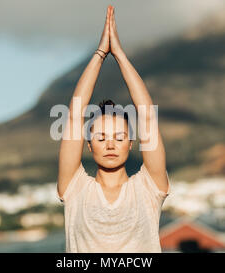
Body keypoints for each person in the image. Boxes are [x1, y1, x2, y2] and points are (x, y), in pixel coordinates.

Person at [56, 5, 170, 253]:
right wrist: (100, 53)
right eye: (101, 137)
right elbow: (75, 117)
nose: (110, 144)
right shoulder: (75, 189)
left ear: (131, 143)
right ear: (88, 144)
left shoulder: (149, 188)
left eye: (119, 137)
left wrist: (118, 53)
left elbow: (148, 117)